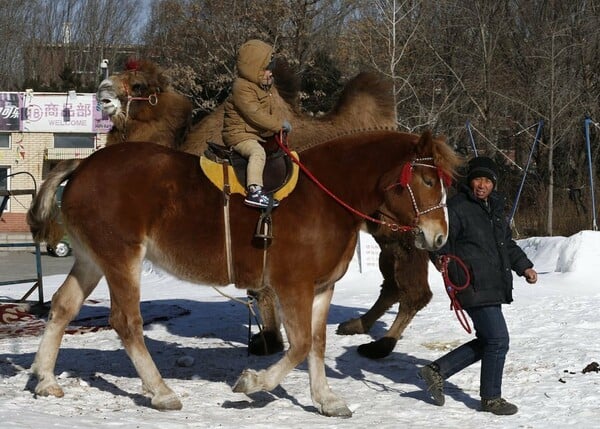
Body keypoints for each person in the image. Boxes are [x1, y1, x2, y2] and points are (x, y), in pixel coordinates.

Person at [420, 156, 538, 416]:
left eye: (487, 180)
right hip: (471, 282)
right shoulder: (457, 207)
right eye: (477, 179)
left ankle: (437, 371)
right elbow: (439, 240)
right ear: (469, 181)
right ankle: (491, 399)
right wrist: (440, 259)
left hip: (493, 283)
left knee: (489, 340)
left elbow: (506, 244)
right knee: (498, 339)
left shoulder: (494, 209)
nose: (482, 185)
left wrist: (525, 267)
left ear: (493, 184)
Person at [223, 39, 292, 209]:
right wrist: (278, 125)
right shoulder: (241, 88)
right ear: (254, 68)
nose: (271, 73)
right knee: (257, 153)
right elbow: (255, 115)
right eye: (267, 69)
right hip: (239, 135)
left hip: (252, 134)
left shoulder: (261, 88)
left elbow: (270, 111)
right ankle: (254, 190)